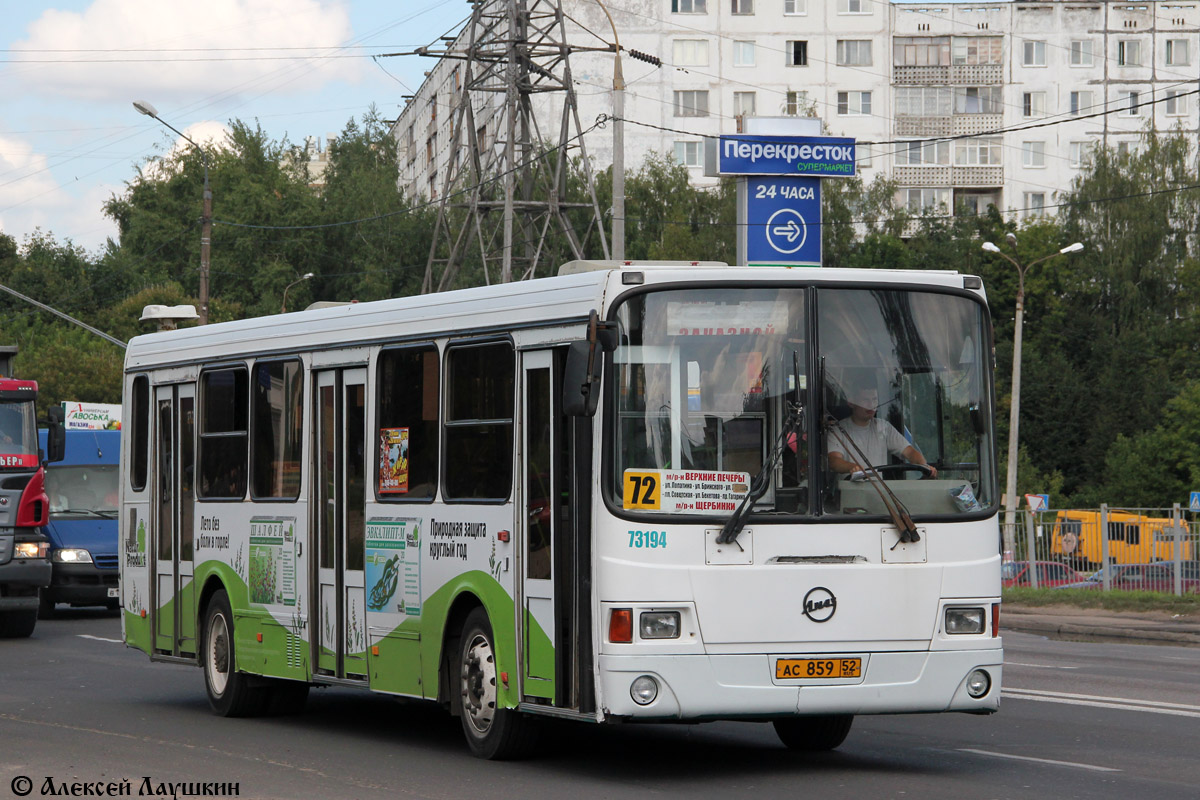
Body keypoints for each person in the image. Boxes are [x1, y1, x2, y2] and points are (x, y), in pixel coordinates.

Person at [826, 386, 937, 478]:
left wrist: (924, 466)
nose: (871, 405)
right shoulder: (837, 430)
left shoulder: (883, 427)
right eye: (865, 400)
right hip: (848, 496)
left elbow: (910, 452)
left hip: (879, 494)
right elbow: (834, 461)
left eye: (874, 400)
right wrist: (852, 467)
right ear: (851, 402)